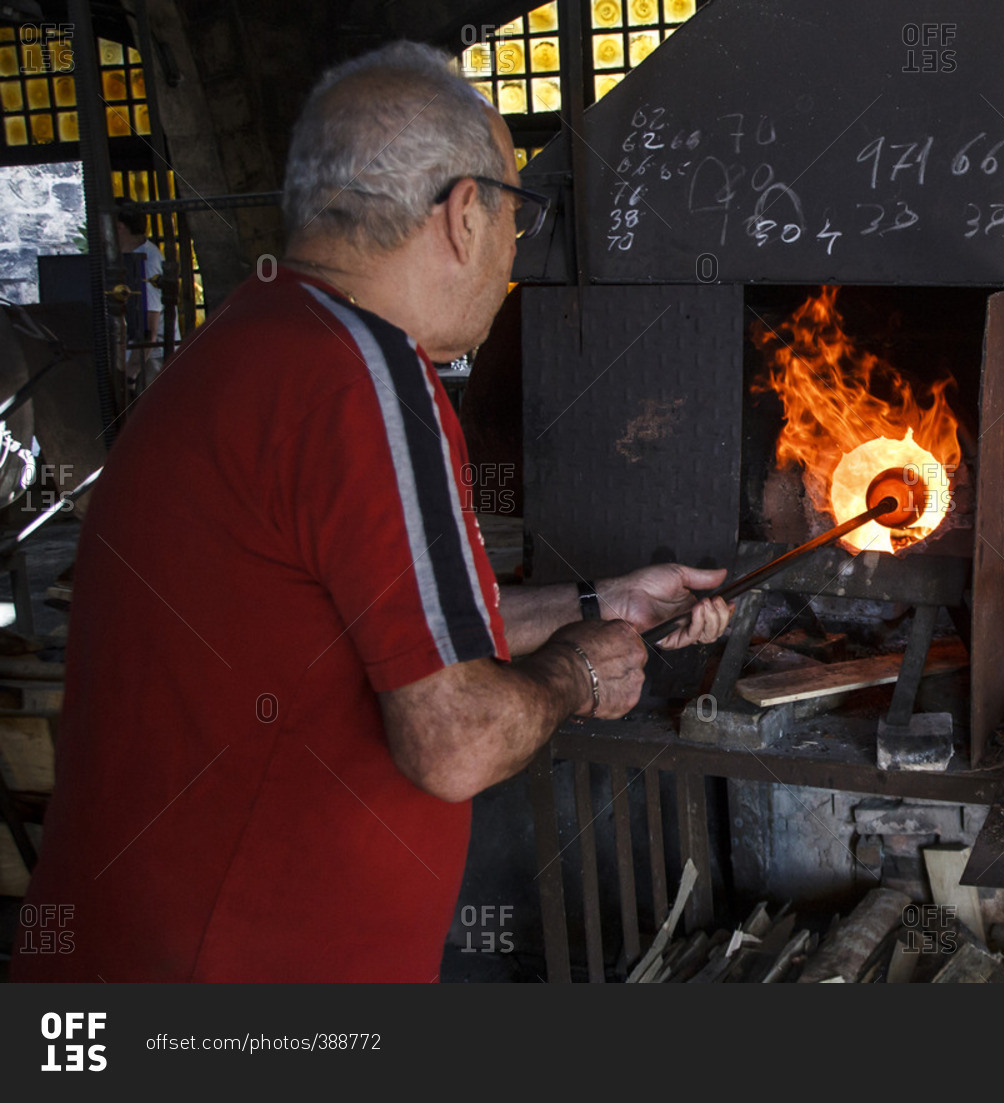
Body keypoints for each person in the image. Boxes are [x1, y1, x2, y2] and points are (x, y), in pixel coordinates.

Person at [15, 42, 731, 982]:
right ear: (465, 213)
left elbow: (391, 638)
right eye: (518, 216)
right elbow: (455, 740)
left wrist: (603, 603)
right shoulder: (369, 376)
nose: (514, 253)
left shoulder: (247, 344)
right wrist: (577, 673)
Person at [114, 210, 181, 388]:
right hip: (140, 357)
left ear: (119, 227)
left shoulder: (147, 262)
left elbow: (149, 330)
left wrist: (130, 375)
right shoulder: (133, 256)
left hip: (150, 360)